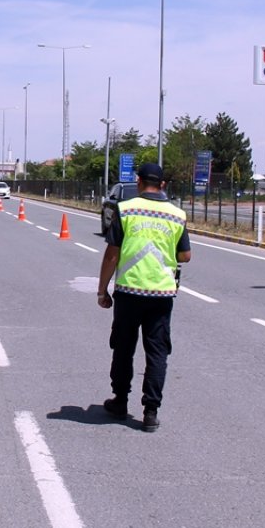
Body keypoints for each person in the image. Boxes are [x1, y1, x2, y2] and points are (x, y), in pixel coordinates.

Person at [95, 162, 191, 433]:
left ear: (138, 182)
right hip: (161, 293)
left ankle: (120, 402)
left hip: (129, 291)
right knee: (157, 351)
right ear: (162, 185)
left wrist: (102, 291)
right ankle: (150, 411)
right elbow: (185, 255)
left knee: (124, 348)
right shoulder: (177, 215)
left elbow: (112, 253)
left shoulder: (125, 210)